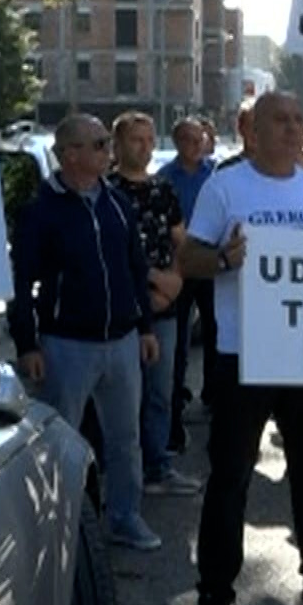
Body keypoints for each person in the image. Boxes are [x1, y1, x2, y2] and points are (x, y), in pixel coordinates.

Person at [181, 92, 303, 605]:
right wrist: (223, 259)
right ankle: (215, 592)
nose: (292, 130)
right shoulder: (225, 187)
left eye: (297, 120)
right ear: (253, 132)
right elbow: (187, 258)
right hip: (243, 356)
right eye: (279, 121)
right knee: (231, 476)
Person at [9, 114, 163, 553]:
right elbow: (22, 282)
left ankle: (124, 517)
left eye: (105, 143)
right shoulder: (40, 211)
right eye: (97, 144)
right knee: (60, 441)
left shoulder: (116, 202)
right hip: (66, 345)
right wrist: (28, 343)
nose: (106, 150)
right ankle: (56, 527)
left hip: (121, 340)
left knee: (124, 438)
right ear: (69, 153)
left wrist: (146, 327)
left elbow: (135, 267)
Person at [109, 111, 201, 498]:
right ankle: (122, 475)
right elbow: (112, 253)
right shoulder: (107, 191)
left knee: (161, 392)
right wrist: (154, 282)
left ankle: (158, 466)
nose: (144, 147)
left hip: (166, 307)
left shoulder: (164, 189)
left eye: (149, 140)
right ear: (117, 145)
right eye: (135, 140)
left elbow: (181, 242)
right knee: (123, 399)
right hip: (123, 311)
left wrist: (176, 280)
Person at [159, 117, 218, 444]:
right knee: (178, 337)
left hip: (211, 263)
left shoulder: (217, 175)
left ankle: (212, 393)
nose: (197, 146)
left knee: (215, 331)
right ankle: (176, 395)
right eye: (190, 140)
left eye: (201, 140)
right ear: (178, 142)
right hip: (179, 266)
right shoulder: (165, 178)